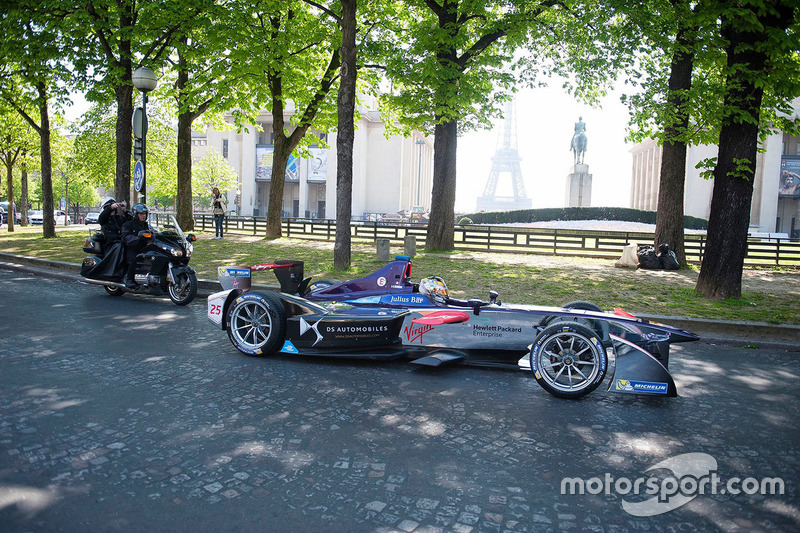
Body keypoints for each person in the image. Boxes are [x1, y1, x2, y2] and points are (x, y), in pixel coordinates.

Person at [121, 203, 151, 288]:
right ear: (136, 214)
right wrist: (137, 238)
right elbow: (125, 237)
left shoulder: (145, 225)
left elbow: (151, 233)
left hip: (144, 248)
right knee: (134, 258)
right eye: (141, 214)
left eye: (145, 214)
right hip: (132, 248)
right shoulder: (128, 224)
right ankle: (129, 279)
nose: (143, 216)